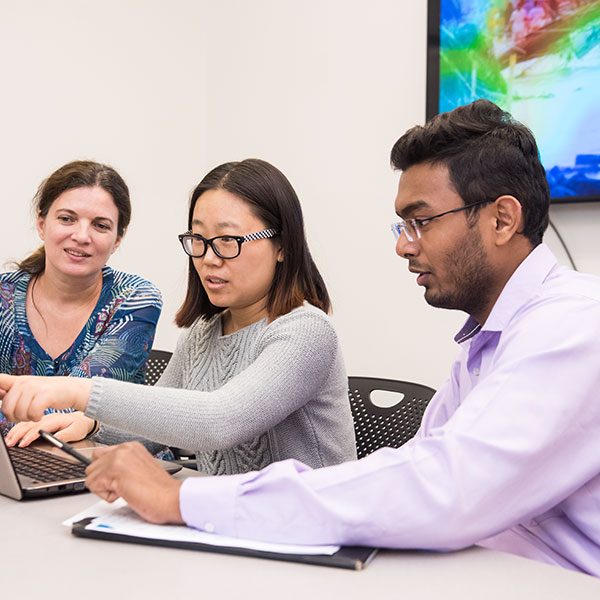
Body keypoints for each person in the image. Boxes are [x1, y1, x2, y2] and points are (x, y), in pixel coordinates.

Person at [4, 100, 599, 576]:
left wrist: (168, 489)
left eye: (420, 221)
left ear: (501, 218)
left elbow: (437, 486)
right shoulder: (484, 344)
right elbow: (420, 470)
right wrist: (91, 432)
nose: (402, 243)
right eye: (199, 241)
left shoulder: (570, 327)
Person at [2, 159, 357, 474]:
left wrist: (79, 392)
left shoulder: (306, 331)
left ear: (282, 245)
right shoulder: (204, 332)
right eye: (199, 239)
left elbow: (219, 420)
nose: (209, 258)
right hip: (230, 520)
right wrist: (92, 424)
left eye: (228, 240)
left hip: (307, 533)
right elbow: (155, 431)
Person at [0, 160, 162, 443]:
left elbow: (80, 401)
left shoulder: (134, 298)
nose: (81, 236)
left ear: (117, 240)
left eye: (100, 225)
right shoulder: (3, 296)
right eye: (67, 219)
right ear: (42, 224)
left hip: (109, 468)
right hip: (12, 465)